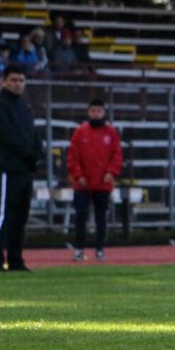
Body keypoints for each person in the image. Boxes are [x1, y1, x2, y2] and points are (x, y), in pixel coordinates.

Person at [0, 65, 43, 272]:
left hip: (25, 169)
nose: (17, 84)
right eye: (13, 80)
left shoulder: (24, 106)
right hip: (8, 168)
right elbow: (7, 137)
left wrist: (38, 154)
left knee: (20, 216)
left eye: (21, 80)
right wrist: (29, 155)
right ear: (4, 81)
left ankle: (16, 259)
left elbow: (33, 134)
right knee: (4, 215)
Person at [67, 99, 123, 262]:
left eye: (99, 111)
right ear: (88, 112)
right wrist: (79, 175)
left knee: (101, 217)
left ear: (103, 113)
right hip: (83, 184)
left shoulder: (111, 132)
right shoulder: (80, 132)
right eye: (93, 110)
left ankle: (99, 249)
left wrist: (111, 172)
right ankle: (79, 249)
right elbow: (72, 157)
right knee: (80, 216)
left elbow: (117, 155)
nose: (96, 114)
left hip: (102, 184)